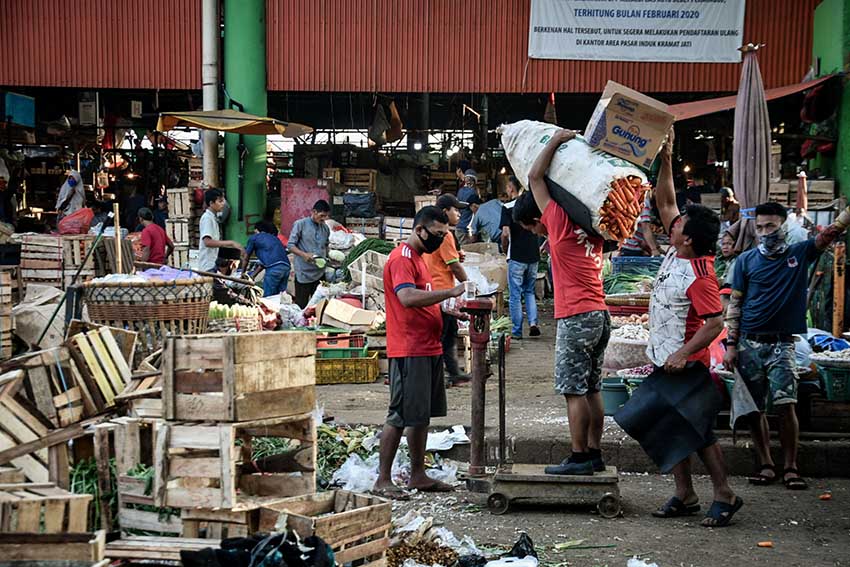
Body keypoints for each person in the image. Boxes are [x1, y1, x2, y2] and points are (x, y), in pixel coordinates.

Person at [615, 129, 742, 527]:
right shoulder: (676, 249)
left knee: (700, 433)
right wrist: (666, 155)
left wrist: (683, 354)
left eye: (677, 224)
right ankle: (684, 494)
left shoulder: (700, 274)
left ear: (687, 236)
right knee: (672, 427)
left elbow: (715, 322)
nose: (671, 222)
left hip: (687, 367)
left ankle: (725, 494)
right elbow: (666, 199)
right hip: (663, 360)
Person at [724, 201, 850, 491]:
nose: (764, 232)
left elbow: (829, 234)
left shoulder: (798, 253)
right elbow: (736, 305)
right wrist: (731, 345)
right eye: (759, 227)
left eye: (770, 226)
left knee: (786, 404)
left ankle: (791, 466)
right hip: (748, 344)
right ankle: (766, 463)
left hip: (783, 344)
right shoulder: (745, 261)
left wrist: (846, 216)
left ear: (784, 226)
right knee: (753, 408)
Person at [512, 129, 609, 476]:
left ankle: (579, 457)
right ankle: (595, 453)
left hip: (577, 315)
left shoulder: (558, 222)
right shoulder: (591, 228)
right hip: (599, 313)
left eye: (532, 228)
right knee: (593, 387)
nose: (536, 233)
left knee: (572, 390)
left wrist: (558, 140)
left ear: (538, 218)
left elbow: (535, 176)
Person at [375, 206, 465, 499]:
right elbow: (407, 297)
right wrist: (449, 293)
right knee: (400, 414)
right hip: (409, 348)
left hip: (428, 346)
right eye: (437, 235)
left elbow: (424, 299)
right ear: (420, 230)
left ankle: (418, 474)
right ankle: (383, 479)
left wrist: (449, 310)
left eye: (444, 235)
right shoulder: (402, 259)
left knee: (420, 415)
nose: (440, 240)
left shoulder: (421, 259)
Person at [423, 194, 471, 385]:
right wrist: (467, 285)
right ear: (445, 212)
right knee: (442, 336)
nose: (458, 214)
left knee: (448, 334)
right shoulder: (445, 235)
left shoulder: (436, 233)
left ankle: (453, 372)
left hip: (434, 289)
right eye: (455, 210)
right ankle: (441, 376)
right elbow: (454, 265)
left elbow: (448, 259)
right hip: (442, 291)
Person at [501, 176, 540, 340]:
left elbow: (504, 233)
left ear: (511, 187)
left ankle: (517, 331)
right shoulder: (533, 203)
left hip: (516, 255)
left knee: (515, 295)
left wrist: (504, 249)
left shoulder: (508, 207)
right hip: (533, 255)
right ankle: (533, 323)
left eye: (507, 187)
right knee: (530, 291)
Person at [288, 200, 331, 308]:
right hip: (304, 273)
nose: (323, 219)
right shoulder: (300, 224)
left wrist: (328, 256)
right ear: (314, 212)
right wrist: (304, 255)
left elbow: (326, 245)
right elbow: (290, 245)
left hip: (320, 273)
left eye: (326, 216)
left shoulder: (325, 228)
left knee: (320, 306)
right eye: (322, 216)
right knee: (301, 306)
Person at [240, 220, 291, 298]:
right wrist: (253, 275)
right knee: (280, 297)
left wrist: (242, 274)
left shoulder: (255, 238)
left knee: (268, 297)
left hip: (274, 269)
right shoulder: (274, 239)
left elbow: (246, 258)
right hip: (286, 267)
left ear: (257, 230)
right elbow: (264, 263)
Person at [198, 188, 243, 273]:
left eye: (223, 201)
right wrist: (231, 243)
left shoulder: (213, 218)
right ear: (211, 203)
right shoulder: (207, 218)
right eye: (220, 201)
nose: (223, 204)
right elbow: (207, 242)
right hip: (208, 266)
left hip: (212, 264)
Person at [455, 170, 481, 247]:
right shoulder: (473, 192)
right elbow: (476, 209)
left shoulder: (460, 191)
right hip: (466, 229)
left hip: (459, 227)